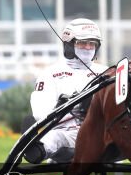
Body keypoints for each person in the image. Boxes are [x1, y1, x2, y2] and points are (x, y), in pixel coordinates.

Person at [23, 18, 108, 164]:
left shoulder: (107, 73)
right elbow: (40, 112)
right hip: (66, 133)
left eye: (92, 43)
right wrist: (65, 110)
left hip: (101, 135)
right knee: (55, 137)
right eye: (82, 43)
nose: (88, 47)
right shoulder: (50, 73)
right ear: (69, 45)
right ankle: (34, 149)